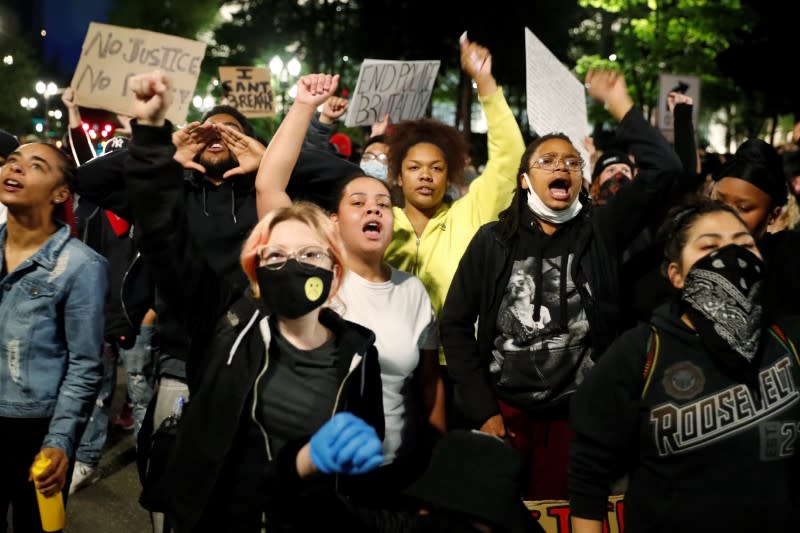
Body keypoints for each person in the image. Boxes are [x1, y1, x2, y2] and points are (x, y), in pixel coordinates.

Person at [124, 70, 385, 532]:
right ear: (255, 265)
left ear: (333, 266)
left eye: (308, 254)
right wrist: (150, 138)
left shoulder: (358, 352)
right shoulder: (223, 319)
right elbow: (162, 231)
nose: (293, 265)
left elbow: (356, 471)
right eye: (277, 255)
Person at [440, 69, 683, 500]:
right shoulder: (493, 243)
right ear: (524, 180)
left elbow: (666, 168)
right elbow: (456, 326)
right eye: (548, 161)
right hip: (507, 413)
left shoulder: (602, 231)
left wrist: (619, 103)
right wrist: (483, 411)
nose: (562, 168)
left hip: (579, 417)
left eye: (572, 162)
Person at [254, 72, 445, 522]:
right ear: (333, 223)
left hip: (393, 482)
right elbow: (269, 189)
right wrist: (303, 106)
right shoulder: (317, 279)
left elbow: (430, 389)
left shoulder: (412, 291)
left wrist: (436, 473)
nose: (373, 207)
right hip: (319, 481)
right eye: (357, 202)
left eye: (382, 202)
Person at [569, 198, 800, 533]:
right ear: (676, 275)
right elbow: (589, 472)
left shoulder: (788, 340)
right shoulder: (640, 353)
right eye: (710, 246)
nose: (732, 256)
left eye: (745, 243)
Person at [0, 142, 107, 531]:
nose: (16, 168)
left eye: (35, 165)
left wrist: (59, 441)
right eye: (13, 161)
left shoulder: (81, 266)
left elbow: (85, 365)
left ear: (61, 193)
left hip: (35, 428)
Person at [384, 34, 526, 321]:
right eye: (414, 168)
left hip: (455, 361)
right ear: (398, 177)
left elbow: (510, 157)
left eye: (436, 168)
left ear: (449, 178)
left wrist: (485, 82)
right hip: (386, 362)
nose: (426, 175)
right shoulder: (379, 223)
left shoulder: (470, 214)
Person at [710, 138, 800, 318]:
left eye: (743, 208)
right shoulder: (685, 250)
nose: (726, 214)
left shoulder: (788, 260)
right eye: (718, 201)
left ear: (773, 215)